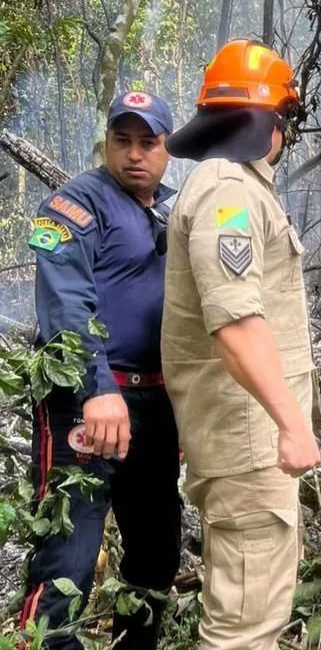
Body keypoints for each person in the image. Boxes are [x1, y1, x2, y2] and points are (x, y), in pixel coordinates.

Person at [160, 39, 321, 650]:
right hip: (250, 440)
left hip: (247, 441)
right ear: (269, 122)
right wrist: (290, 424)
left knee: (254, 613)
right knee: (244, 630)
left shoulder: (233, 187)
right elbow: (233, 322)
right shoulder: (230, 194)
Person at [19, 91, 181, 650]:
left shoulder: (174, 209)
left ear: (168, 149)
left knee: (157, 548)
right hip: (86, 402)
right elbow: (66, 301)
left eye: (148, 142)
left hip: (157, 406)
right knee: (70, 552)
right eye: (123, 140)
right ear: (107, 143)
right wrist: (98, 388)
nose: (135, 154)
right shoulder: (75, 205)